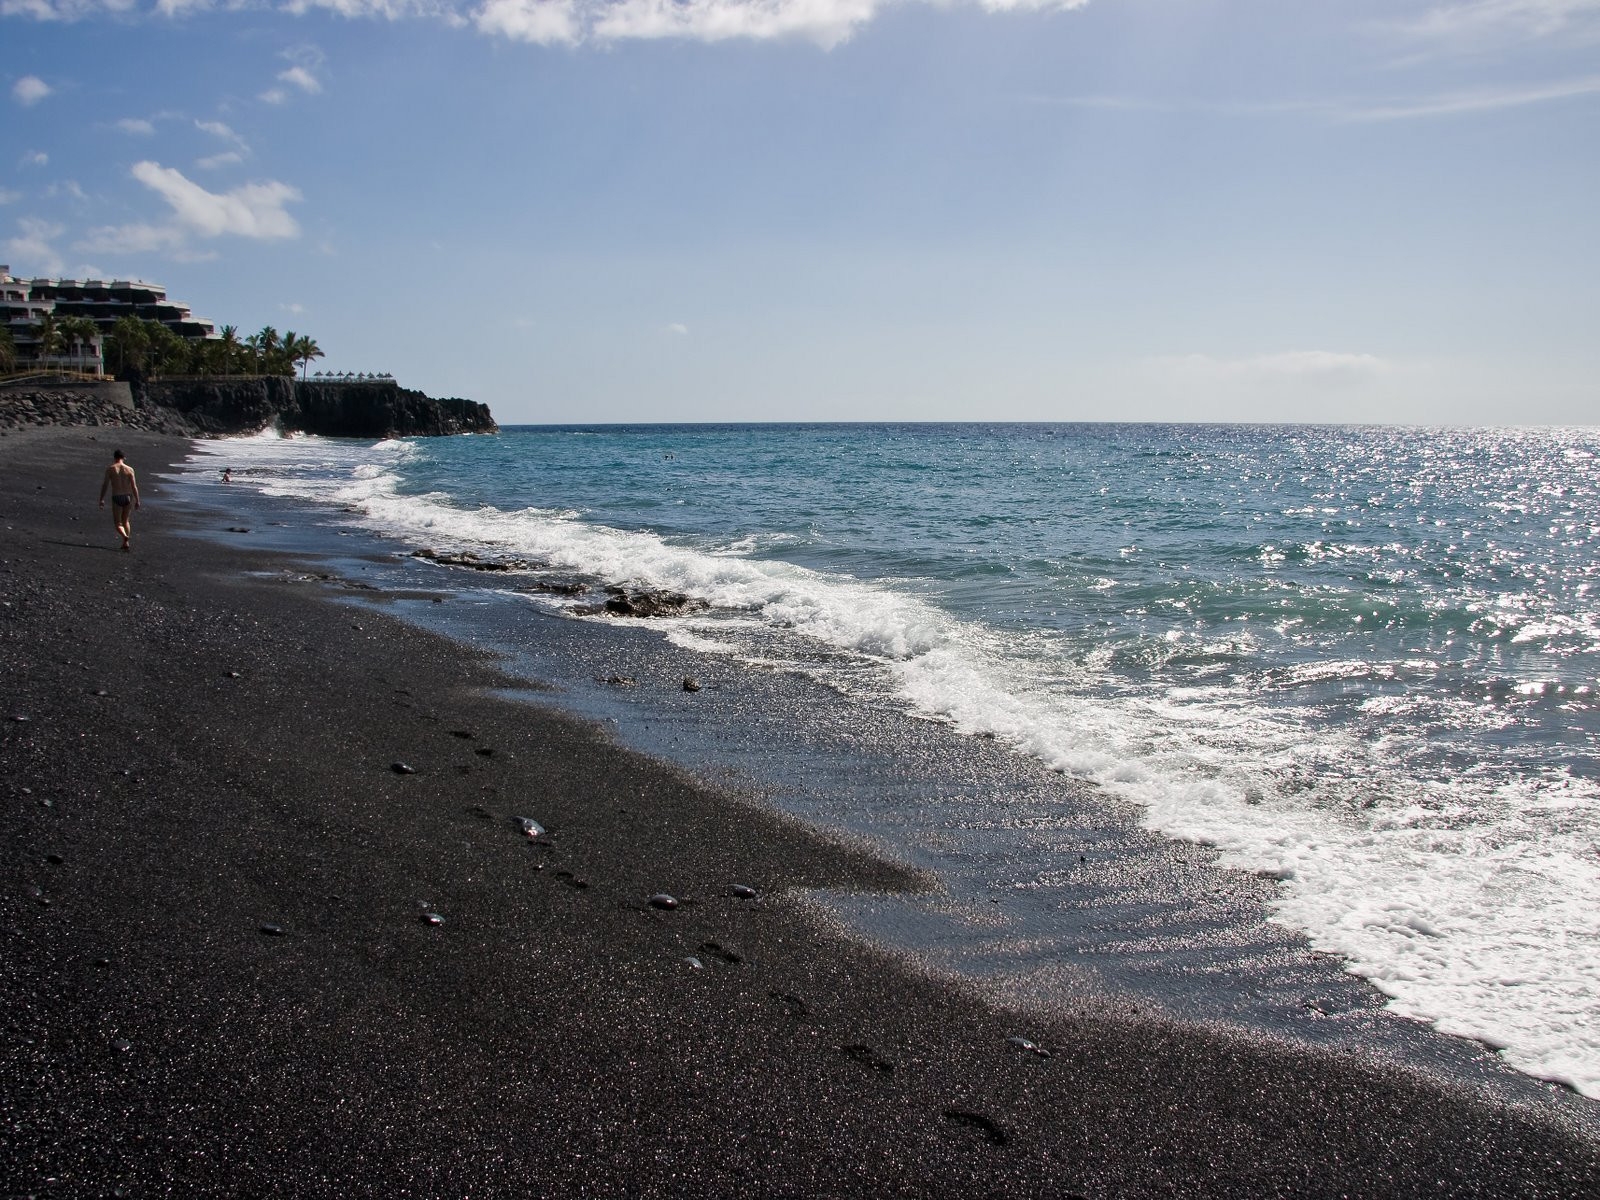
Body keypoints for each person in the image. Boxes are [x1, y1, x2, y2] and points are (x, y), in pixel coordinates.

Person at [99, 449, 141, 552]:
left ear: (114, 458)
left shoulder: (111, 469)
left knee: (118, 523)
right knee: (126, 521)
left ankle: (125, 536)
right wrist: (137, 500)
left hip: (117, 497)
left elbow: (105, 485)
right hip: (128, 497)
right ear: (124, 458)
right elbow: (134, 486)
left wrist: (101, 499)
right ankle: (126, 542)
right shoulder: (130, 469)